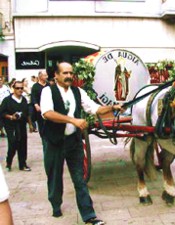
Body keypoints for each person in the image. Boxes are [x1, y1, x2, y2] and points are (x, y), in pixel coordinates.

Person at [40, 62, 124, 225]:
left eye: (71, 73)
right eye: (65, 73)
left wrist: (113, 107)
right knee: (54, 177)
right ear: (56, 75)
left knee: (79, 179)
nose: (69, 76)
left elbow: (95, 108)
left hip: (73, 142)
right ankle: (56, 205)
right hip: (54, 142)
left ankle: (89, 216)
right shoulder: (47, 91)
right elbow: (47, 113)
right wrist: (73, 120)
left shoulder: (78, 92)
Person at [0, 81, 34, 172]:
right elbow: (2, 113)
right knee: (13, 143)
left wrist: (30, 124)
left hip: (21, 124)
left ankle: (22, 164)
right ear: (13, 89)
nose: (20, 90)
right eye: (17, 88)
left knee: (23, 144)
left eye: (21, 88)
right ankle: (9, 162)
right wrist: (11, 116)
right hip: (11, 125)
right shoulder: (7, 100)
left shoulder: (24, 100)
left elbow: (27, 113)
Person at [31, 70, 49, 144]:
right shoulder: (35, 86)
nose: (46, 77)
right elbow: (33, 97)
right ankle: (43, 137)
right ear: (40, 77)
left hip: (48, 108)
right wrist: (36, 105)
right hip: (40, 109)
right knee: (41, 124)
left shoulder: (48, 85)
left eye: (46, 75)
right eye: (45, 75)